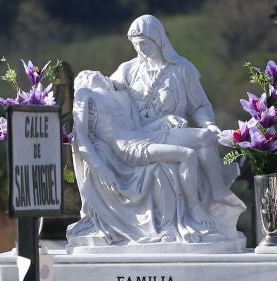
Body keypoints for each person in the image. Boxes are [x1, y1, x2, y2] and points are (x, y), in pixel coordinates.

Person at [68, 14, 244, 248]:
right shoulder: (127, 71)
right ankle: (191, 211)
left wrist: (209, 124)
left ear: (158, 39)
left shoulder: (183, 70)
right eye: (136, 44)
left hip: (162, 131)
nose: (140, 49)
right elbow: (103, 100)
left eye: (144, 43)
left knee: (205, 137)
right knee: (176, 160)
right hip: (140, 137)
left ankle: (218, 193)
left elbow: (200, 106)